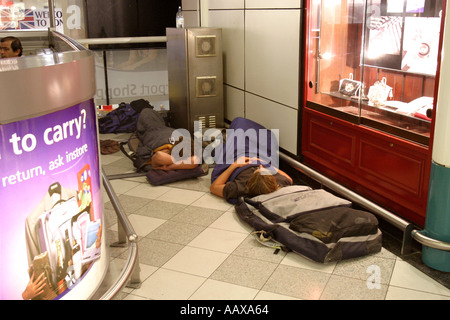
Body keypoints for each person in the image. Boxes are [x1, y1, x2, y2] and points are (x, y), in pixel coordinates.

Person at [210, 156, 293, 200]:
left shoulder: (239, 188)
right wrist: (263, 162)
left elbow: (214, 187)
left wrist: (234, 165)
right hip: (255, 156)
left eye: (258, 169)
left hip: (239, 161)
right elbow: (289, 179)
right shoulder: (280, 182)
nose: (260, 166)